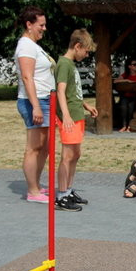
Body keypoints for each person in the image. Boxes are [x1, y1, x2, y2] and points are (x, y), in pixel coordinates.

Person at [54, 29, 99, 212]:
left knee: (76, 155)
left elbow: (73, 92)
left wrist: (85, 106)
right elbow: (60, 91)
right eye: (86, 51)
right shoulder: (64, 64)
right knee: (67, 156)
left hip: (76, 115)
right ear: (77, 46)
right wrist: (65, 115)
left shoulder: (70, 65)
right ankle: (62, 195)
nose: (87, 55)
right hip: (69, 118)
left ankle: (69, 190)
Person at [15, 5, 55, 203]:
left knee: (44, 147)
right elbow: (26, 76)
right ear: (29, 24)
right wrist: (36, 106)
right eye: (41, 25)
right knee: (34, 147)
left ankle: (37, 185)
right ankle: (32, 191)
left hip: (45, 99)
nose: (44, 28)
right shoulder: (25, 46)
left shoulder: (33, 45)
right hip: (34, 101)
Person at [114, 58, 136, 132]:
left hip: (135, 97)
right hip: (126, 96)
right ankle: (124, 125)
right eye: (134, 64)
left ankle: (129, 126)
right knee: (123, 107)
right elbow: (116, 81)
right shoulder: (126, 75)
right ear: (129, 66)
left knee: (131, 109)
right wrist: (127, 80)